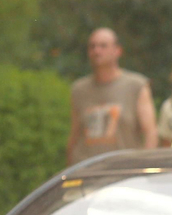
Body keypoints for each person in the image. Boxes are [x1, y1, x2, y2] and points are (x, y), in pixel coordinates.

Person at [67, 27, 157, 165]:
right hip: (88, 172)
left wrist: (144, 167)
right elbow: (74, 135)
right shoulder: (79, 90)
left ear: (117, 51)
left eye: (103, 46)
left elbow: (150, 132)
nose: (97, 51)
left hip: (123, 170)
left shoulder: (136, 86)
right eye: (92, 46)